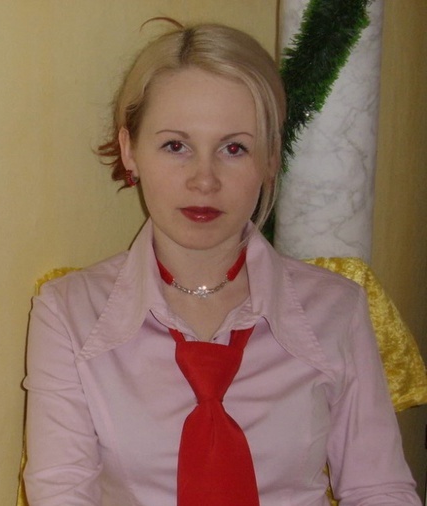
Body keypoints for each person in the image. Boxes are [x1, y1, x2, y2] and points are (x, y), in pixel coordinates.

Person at [22, 20, 420, 506]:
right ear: (130, 151)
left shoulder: (337, 309)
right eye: (176, 146)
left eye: (234, 148)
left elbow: (379, 489)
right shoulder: (69, 314)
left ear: (270, 159)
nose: (204, 180)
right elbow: (61, 493)